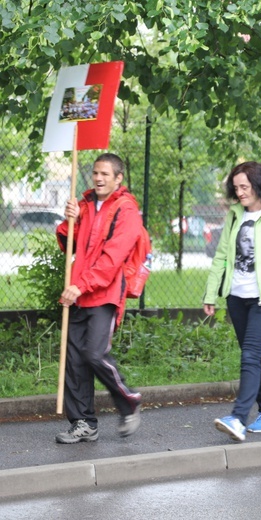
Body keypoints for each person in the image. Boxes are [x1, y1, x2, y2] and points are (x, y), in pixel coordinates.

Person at [203, 161, 261, 442]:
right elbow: (220, 256)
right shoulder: (234, 215)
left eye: (245, 186)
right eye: (236, 187)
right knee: (255, 355)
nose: (240, 192)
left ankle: (238, 418)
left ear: (258, 185)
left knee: (250, 356)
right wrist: (211, 294)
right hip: (236, 298)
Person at [54, 153, 144, 444]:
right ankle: (83, 423)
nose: (98, 178)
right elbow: (70, 245)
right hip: (78, 291)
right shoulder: (85, 204)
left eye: (105, 174)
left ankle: (128, 401)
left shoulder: (126, 209)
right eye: (95, 173)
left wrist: (82, 285)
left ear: (118, 178)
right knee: (74, 361)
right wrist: (71, 221)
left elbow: (112, 257)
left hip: (103, 293)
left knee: (94, 354)